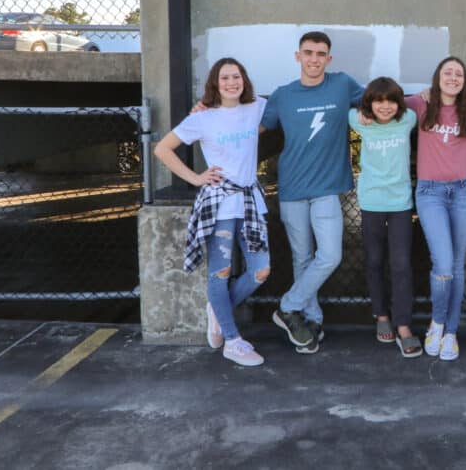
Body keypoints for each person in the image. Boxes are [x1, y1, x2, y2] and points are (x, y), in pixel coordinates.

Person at [154, 57, 270, 367]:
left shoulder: (257, 106)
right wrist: (195, 178)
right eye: (225, 78)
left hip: (249, 202)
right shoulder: (202, 118)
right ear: (215, 84)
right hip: (219, 204)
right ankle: (232, 340)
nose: (232, 83)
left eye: (236, 77)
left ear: (243, 80)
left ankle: (217, 310)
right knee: (220, 271)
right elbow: (162, 149)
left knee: (260, 271)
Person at [263, 31, 364, 355]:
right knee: (302, 258)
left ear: (329, 59)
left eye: (321, 53)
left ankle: (287, 307)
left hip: (326, 190)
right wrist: (207, 108)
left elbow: (380, 101)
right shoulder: (283, 95)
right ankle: (311, 321)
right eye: (308, 52)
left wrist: (426, 96)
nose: (314, 59)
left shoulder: (342, 84)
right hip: (292, 188)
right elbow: (252, 124)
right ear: (298, 56)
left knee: (330, 255)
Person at [405, 57, 466, 362]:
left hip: (463, 191)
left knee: (457, 266)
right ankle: (437, 320)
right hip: (430, 192)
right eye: (447, 72)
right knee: (444, 265)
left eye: (458, 73)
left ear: (464, 80)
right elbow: (383, 101)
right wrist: (421, 93)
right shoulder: (422, 105)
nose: (453, 77)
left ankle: (450, 332)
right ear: (437, 77)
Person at [348, 77, 421, 358]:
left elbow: (417, 104)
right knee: (375, 260)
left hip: (400, 202)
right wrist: (361, 110)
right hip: (371, 202)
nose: (386, 106)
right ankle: (381, 316)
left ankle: (403, 325)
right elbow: (345, 106)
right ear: (369, 104)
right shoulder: (358, 120)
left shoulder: (408, 119)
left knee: (401, 263)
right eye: (379, 101)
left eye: (391, 100)